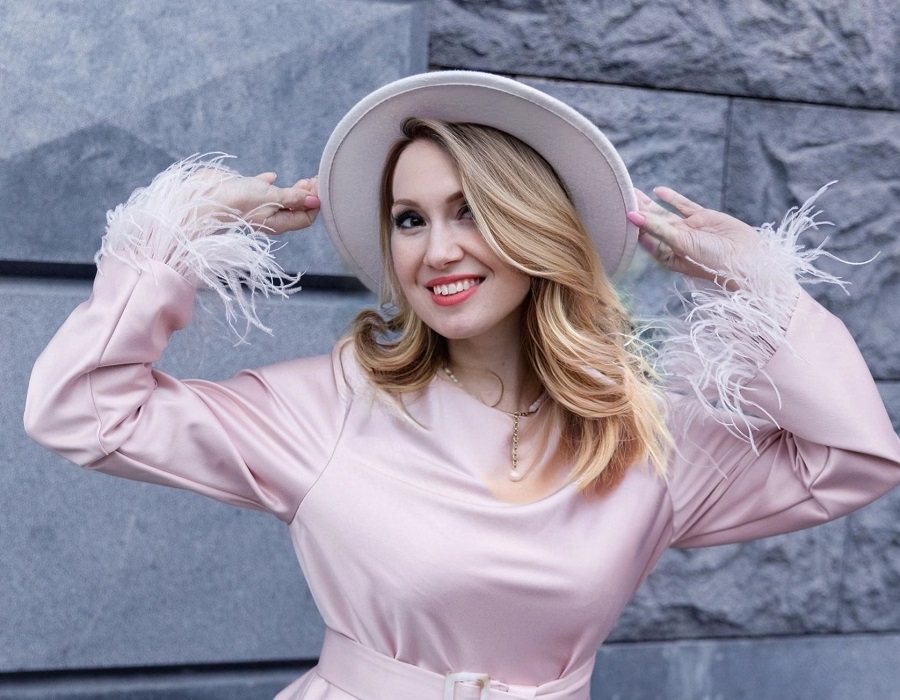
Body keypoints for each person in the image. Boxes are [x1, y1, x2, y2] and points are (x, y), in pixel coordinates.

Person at [24, 71, 900, 700]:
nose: (436, 251)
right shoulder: (326, 406)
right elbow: (83, 411)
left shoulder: (644, 436)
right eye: (410, 219)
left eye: (470, 211)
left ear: (537, 228)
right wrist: (177, 237)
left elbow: (854, 460)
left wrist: (757, 283)